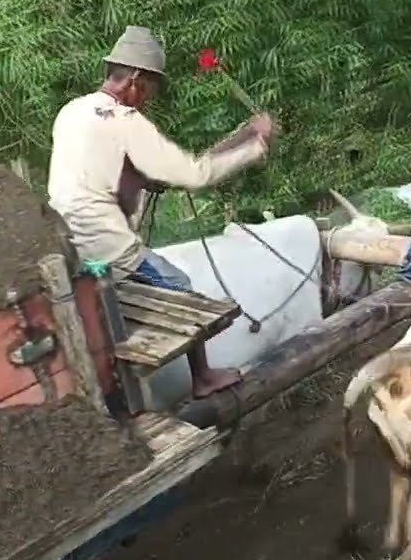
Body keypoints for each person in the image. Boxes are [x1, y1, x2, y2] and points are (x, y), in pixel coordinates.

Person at [48, 25, 277, 399]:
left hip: (71, 245)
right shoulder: (125, 121)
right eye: (151, 88)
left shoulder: (72, 112)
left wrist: (240, 136)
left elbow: (107, 171)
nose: (149, 99)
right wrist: (257, 147)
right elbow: (196, 173)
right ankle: (202, 378)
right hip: (109, 247)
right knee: (183, 288)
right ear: (136, 81)